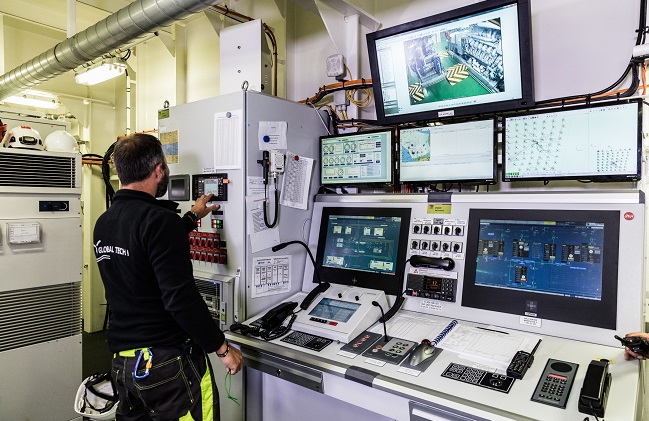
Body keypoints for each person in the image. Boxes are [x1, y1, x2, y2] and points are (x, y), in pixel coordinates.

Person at [93, 133, 242, 420]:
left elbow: (142, 251)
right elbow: (181, 300)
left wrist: (190, 218)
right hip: (166, 364)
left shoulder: (105, 221)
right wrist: (222, 349)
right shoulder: (160, 221)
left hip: (124, 363)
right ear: (159, 169)